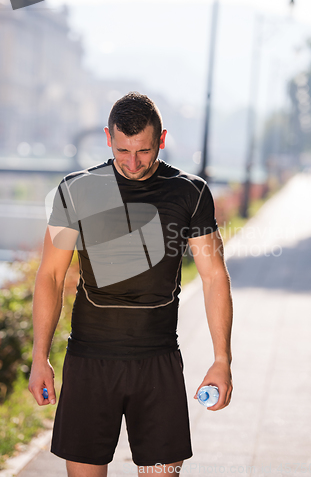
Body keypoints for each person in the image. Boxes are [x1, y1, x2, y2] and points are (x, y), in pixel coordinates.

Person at [29, 92, 233, 477]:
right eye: (123, 150)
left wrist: (222, 359)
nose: (133, 162)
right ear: (108, 138)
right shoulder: (76, 190)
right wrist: (40, 357)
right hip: (89, 361)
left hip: (158, 362)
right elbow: (51, 277)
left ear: (162, 138)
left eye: (143, 150)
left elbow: (213, 277)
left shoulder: (190, 192)